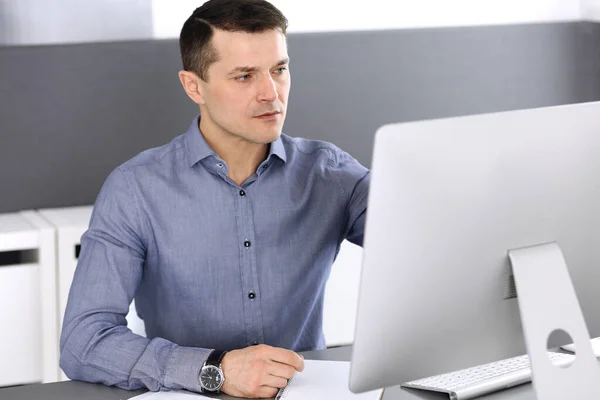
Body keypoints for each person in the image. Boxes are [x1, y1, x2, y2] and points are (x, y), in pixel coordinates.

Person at [59, 0, 370, 398]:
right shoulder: (135, 189)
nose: (270, 93)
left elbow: (424, 245)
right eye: (244, 76)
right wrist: (216, 369)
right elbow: (83, 342)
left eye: (279, 69)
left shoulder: (331, 175)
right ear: (194, 86)